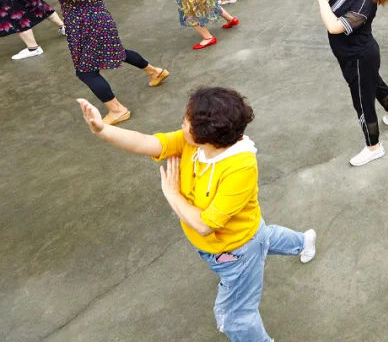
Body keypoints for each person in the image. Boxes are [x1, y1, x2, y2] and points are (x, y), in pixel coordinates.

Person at [76, 87, 316, 341]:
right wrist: (102, 130)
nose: (182, 122)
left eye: (187, 120)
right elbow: (146, 143)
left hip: (236, 251)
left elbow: (204, 225)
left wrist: (172, 194)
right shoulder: (190, 144)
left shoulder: (240, 166)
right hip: (246, 233)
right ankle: (304, 241)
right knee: (263, 237)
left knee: (234, 318)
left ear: (206, 134)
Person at [14, 0, 169, 123]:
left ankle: (117, 110)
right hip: (75, 25)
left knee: (86, 72)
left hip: (94, 23)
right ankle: (155, 71)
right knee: (118, 52)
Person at [273, 0, 388, 166]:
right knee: (376, 84)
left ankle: (374, 147)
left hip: (359, 57)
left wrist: (322, 0)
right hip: (352, 55)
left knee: (362, 102)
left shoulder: (364, 2)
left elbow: (334, 27)